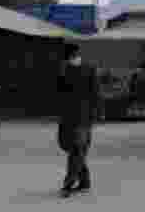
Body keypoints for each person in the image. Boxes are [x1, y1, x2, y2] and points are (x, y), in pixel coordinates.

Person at [56, 43, 99, 197]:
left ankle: (68, 184)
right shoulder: (64, 70)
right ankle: (85, 180)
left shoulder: (87, 69)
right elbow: (59, 91)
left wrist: (95, 113)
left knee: (76, 150)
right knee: (70, 147)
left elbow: (94, 93)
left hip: (81, 118)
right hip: (71, 117)